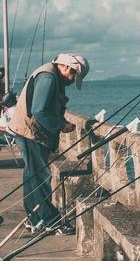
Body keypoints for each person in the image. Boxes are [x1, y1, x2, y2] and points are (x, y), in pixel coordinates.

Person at [8, 53, 89, 235]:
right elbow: (39, 110)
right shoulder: (48, 78)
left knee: (32, 176)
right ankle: (52, 221)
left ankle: (34, 219)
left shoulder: (52, 76)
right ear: (68, 67)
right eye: (74, 76)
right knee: (40, 177)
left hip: (26, 131)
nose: (71, 82)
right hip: (30, 133)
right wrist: (61, 125)